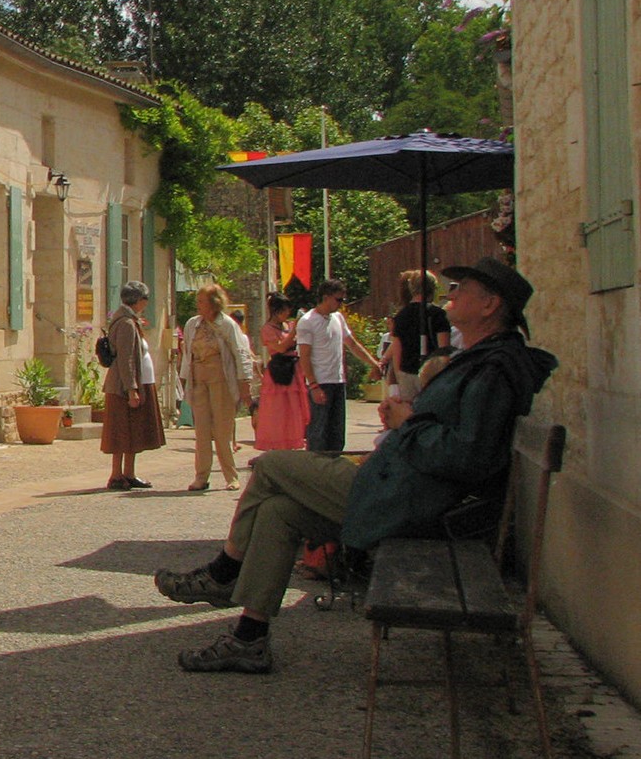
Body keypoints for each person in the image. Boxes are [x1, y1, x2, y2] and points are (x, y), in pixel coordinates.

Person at [154, 257, 556, 673]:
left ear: (490, 306)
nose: (450, 295)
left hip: (411, 499)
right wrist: (412, 415)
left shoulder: (493, 369)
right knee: (278, 512)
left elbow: (464, 454)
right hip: (404, 486)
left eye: (461, 288)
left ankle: (224, 572)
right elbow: (457, 435)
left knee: (272, 465)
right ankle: (248, 639)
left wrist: (409, 422)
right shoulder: (484, 360)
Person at [180, 283, 254, 491]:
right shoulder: (192, 324)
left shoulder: (227, 324)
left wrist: (244, 382)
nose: (198, 305)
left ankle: (231, 476)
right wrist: (184, 381)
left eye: (202, 301)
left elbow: (241, 353)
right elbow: (187, 354)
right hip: (199, 380)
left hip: (220, 379)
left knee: (223, 430)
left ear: (214, 303)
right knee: (202, 430)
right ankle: (201, 476)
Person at [296, 279, 384, 452]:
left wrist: (374, 363)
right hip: (321, 382)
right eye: (338, 300)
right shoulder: (307, 321)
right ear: (326, 297)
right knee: (319, 431)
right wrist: (313, 385)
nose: (341, 304)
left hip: (338, 381)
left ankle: (333, 465)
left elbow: (352, 344)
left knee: (337, 432)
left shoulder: (337, 318)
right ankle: (315, 468)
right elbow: (304, 356)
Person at [101, 280, 165, 490]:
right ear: (139, 300)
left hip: (137, 382)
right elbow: (126, 359)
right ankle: (117, 474)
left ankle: (129, 472)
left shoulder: (130, 321)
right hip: (124, 386)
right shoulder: (126, 324)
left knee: (133, 430)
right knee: (121, 431)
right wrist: (132, 389)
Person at [386, 269, 452, 403]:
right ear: (433, 288)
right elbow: (443, 349)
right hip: (431, 373)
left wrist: (399, 375)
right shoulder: (437, 314)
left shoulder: (400, 316)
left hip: (406, 372)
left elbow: (397, 350)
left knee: (410, 412)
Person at [254, 293, 309, 451]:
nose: (287, 314)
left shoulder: (288, 325)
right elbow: (280, 347)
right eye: (283, 310)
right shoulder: (267, 329)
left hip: (294, 368)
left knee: (294, 408)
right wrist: (293, 332)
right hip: (279, 370)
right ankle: (277, 444)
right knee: (278, 410)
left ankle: (293, 441)